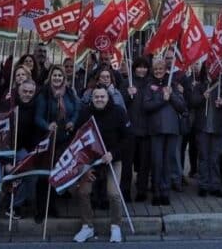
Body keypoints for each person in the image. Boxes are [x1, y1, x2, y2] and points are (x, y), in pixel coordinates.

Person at [0, 79, 40, 244]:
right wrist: (7, 162)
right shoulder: (7, 105)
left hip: (18, 149)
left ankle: (14, 204)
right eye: (25, 91)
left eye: (31, 92)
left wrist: (28, 157)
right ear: (18, 90)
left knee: (32, 175)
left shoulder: (34, 107)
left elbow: (31, 136)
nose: (27, 94)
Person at [71, 86, 128, 244]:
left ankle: (116, 226)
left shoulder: (119, 112)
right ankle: (87, 226)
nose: (99, 99)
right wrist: (84, 166)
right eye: (96, 97)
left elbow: (128, 138)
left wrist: (113, 154)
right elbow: (77, 139)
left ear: (108, 98)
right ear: (92, 99)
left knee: (114, 193)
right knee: (83, 192)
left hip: (112, 159)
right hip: (91, 161)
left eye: (102, 97)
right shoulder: (85, 113)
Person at [34, 64, 80, 220]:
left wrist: (72, 122)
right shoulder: (44, 94)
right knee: (44, 175)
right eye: (55, 75)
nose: (57, 78)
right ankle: (41, 210)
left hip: (64, 140)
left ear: (64, 78)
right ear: (50, 77)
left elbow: (77, 109)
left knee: (56, 172)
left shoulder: (70, 92)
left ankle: (52, 206)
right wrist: (47, 125)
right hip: (47, 139)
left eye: (60, 75)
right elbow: (38, 117)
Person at [142, 58, 186, 206]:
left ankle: (165, 192)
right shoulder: (149, 86)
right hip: (156, 129)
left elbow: (182, 107)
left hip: (172, 129)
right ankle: (156, 191)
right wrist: (162, 98)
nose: (158, 71)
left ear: (166, 70)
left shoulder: (173, 85)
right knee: (157, 162)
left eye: (161, 69)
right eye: (156, 69)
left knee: (168, 162)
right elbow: (146, 106)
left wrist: (171, 95)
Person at [188, 62, 222, 198]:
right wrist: (202, 97)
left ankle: (215, 185)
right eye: (208, 67)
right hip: (202, 128)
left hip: (219, 128)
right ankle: (203, 185)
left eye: (214, 67)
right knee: (203, 157)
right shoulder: (199, 86)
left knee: (215, 158)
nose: (211, 70)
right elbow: (192, 102)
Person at [120, 57, 151, 202]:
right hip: (130, 131)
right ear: (134, 68)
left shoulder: (150, 83)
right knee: (127, 164)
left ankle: (142, 191)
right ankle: (125, 191)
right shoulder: (127, 82)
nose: (142, 70)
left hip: (146, 130)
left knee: (144, 164)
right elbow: (120, 104)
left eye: (144, 67)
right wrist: (128, 94)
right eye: (139, 67)